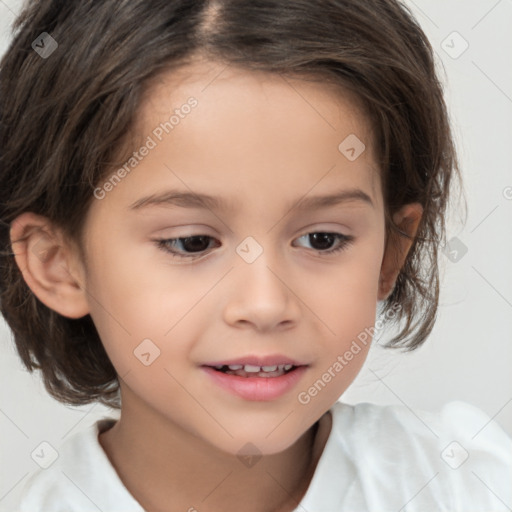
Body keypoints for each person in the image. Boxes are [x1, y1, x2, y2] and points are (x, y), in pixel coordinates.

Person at [0, 0, 510, 511]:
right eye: (192, 242)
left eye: (322, 239)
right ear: (57, 264)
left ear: (389, 254)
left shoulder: (470, 485)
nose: (265, 304)